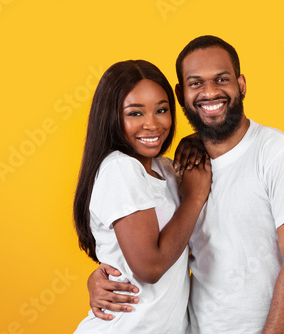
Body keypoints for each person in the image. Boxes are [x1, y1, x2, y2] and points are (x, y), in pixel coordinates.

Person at [87, 36, 284, 334]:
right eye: (196, 83)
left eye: (221, 79)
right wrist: (102, 275)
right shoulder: (184, 171)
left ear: (241, 85)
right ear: (181, 94)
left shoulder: (280, 154)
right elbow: (151, 251)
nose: (210, 91)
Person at [72, 59, 212, 333]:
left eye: (161, 110)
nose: (152, 124)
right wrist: (194, 199)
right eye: (135, 113)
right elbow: (150, 266)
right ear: (112, 117)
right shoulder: (120, 168)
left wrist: (195, 140)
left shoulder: (166, 169)